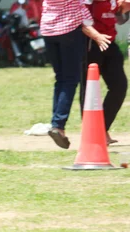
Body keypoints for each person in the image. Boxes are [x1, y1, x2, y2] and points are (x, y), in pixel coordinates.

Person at [40, 0, 105, 149]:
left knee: (61, 78)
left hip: (48, 29)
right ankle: (58, 125)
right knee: (70, 80)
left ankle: (56, 124)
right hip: (69, 28)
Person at [79, 0, 127, 146]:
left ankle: (101, 129)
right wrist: (97, 37)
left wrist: (123, 9)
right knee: (88, 89)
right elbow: (80, 20)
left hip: (109, 42)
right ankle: (92, 133)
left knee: (119, 86)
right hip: (91, 43)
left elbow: (118, 19)